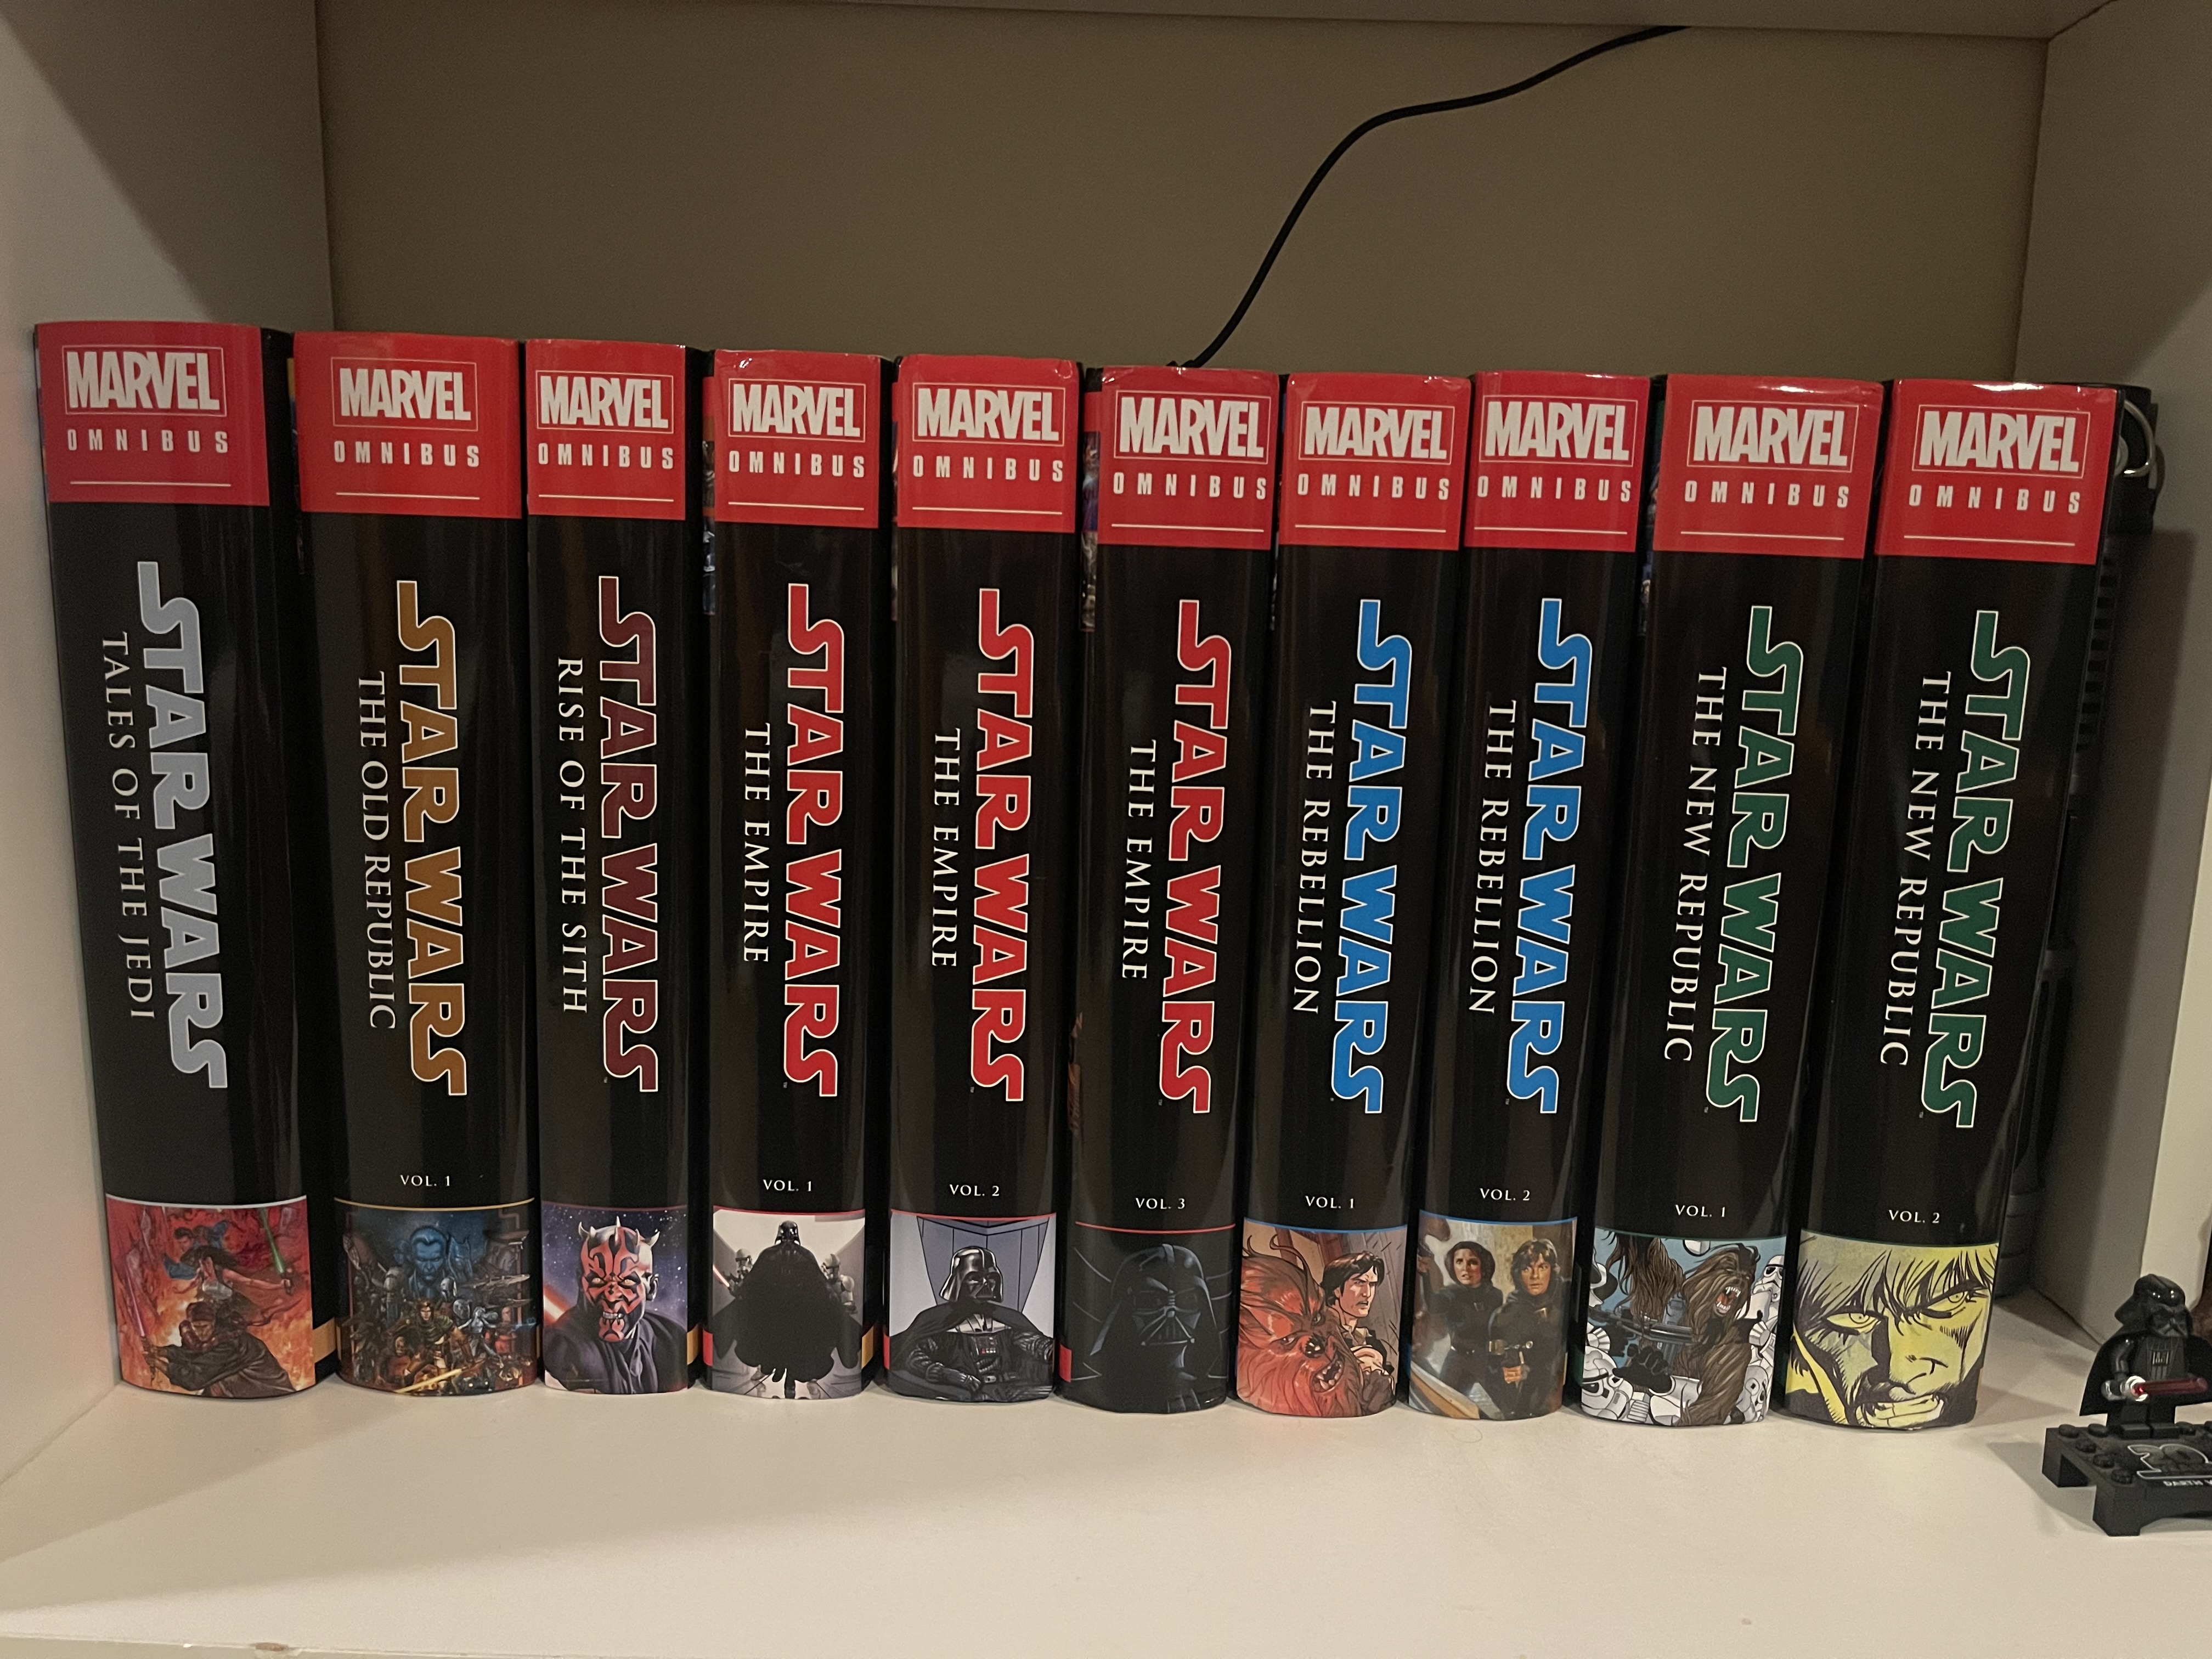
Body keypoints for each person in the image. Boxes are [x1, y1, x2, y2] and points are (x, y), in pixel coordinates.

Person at [889, 1246, 1053, 1402]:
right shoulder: (939, 1320)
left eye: (991, 1278)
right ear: (959, 1281)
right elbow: (912, 1355)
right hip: (968, 1391)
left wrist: (1048, 1350)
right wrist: (947, 1375)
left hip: (1010, 1388)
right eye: (975, 1278)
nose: (986, 1284)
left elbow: (1032, 1343)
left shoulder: (1008, 1318)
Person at [543, 1218, 688, 1395]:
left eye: (627, 1282)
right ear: (581, 1282)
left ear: (651, 1288)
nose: (611, 1297)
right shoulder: (561, 1347)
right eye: (598, 1280)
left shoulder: (669, 1338)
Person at [1483, 1238, 1567, 1419]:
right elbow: (1493, 1370)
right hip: (1529, 1404)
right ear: (1518, 1273)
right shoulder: (1503, 1318)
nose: (1535, 1276)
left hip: (1566, 1400)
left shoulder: (1564, 1300)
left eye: (1543, 1267)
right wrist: (1506, 1374)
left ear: (1552, 1270)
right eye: (1527, 1269)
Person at [1423, 1239, 1501, 1398]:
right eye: (1459, 1262)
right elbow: (1433, 1305)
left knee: (1509, 1404)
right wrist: (1426, 1274)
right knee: (1444, 1402)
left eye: (1472, 1262)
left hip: (1486, 1360)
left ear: (1484, 1266)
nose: (1465, 1268)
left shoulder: (1495, 1295)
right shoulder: (1451, 1294)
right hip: (1458, 1360)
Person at [1319, 1253, 1395, 1410]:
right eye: (1359, 1283)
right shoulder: (1319, 1336)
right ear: (1337, 1289)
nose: (1367, 1293)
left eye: (1372, 1285)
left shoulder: (1372, 1342)